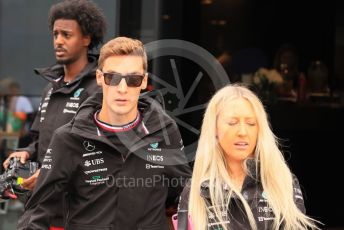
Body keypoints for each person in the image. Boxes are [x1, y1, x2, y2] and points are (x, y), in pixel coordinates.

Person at [19, 37, 191, 230]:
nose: (122, 89)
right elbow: (39, 210)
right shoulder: (69, 137)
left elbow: (185, 193)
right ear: (100, 78)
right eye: (113, 78)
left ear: (143, 82)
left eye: (133, 79)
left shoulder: (165, 131)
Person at [2, 0, 107, 228]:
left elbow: (97, 151)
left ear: (86, 39)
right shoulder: (50, 88)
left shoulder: (98, 88)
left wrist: (50, 174)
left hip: (79, 213)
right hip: (41, 210)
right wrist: (26, 154)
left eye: (66, 35)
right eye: (55, 34)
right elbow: (40, 141)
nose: (58, 41)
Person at [176, 84, 319, 229]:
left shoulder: (282, 182)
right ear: (214, 129)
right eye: (232, 123)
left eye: (251, 123)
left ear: (260, 130)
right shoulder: (195, 190)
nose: (243, 132)